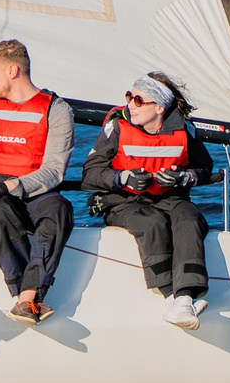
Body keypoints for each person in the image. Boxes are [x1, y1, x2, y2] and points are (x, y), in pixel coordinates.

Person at [0, 39, 74, 325]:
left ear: (12, 71)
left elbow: (54, 171)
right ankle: (26, 295)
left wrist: (9, 186)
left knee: (60, 209)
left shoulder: (57, 110)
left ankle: (27, 297)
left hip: (33, 191)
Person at [82, 71, 216, 329]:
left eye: (138, 100)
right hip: (125, 202)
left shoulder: (184, 130)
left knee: (190, 219)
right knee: (151, 222)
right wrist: (123, 179)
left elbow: (205, 168)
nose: (130, 104)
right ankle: (170, 298)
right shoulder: (117, 128)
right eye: (129, 97)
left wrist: (183, 178)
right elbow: (91, 172)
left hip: (170, 199)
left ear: (159, 107)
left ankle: (185, 298)